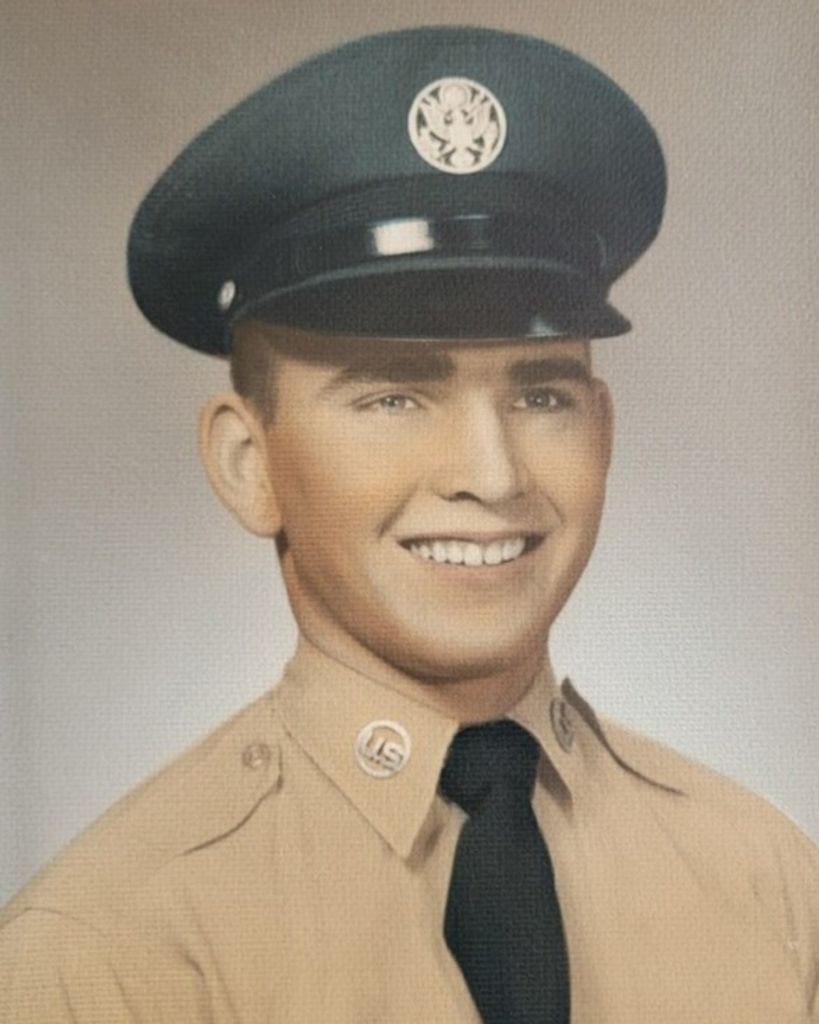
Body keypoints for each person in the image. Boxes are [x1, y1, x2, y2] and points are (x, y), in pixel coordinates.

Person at [1, 25, 817, 1024]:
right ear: (248, 465)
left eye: (542, 394)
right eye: (394, 396)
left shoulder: (770, 883)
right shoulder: (106, 955)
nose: (491, 474)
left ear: (603, 431)